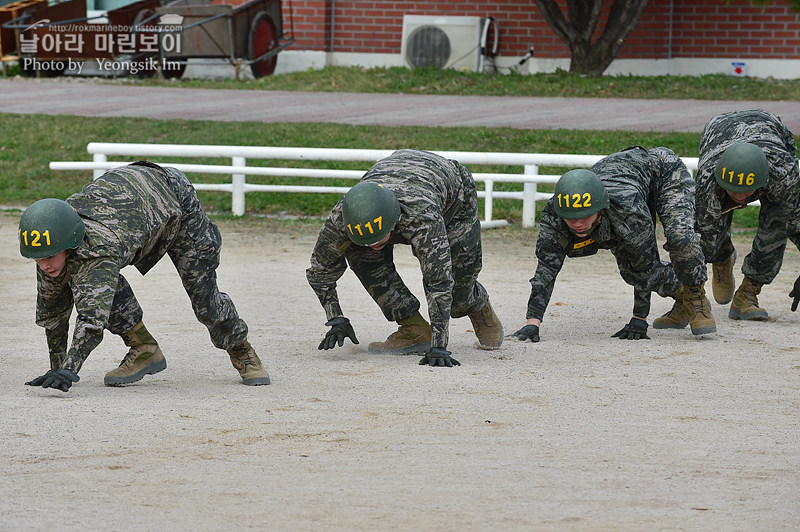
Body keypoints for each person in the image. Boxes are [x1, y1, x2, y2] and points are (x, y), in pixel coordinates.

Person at [19, 161, 269, 392]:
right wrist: (56, 366)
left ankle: (240, 349)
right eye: (37, 259)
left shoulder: (98, 250)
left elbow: (92, 321)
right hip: (135, 202)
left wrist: (68, 370)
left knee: (204, 298)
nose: (43, 265)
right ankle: (145, 349)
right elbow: (53, 314)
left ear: (68, 243)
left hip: (173, 197)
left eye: (49, 258)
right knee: (98, 286)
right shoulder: (52, 240)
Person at [306, 149, 503, 368]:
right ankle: (414, 328)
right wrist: (336, 317)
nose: (374, 245)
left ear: (396, 221)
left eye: (379, 238)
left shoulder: (421, 216)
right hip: (395, 177)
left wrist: (439, 346)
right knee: (361, 255)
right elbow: (319, 270)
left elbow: (438, 280)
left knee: (456, 293)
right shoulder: (343, 216)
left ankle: (477, 305)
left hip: (452, 197)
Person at [510, 146, 716, 343]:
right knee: (629, 273)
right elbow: (546, 268)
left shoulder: (628, 210)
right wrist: (532, 323)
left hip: (663, 173)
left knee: (679, 240)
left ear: (599, 209)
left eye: (584, 216)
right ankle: (682, 296)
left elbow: (644, 263)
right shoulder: (555, 214)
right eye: (571, 218)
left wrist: (639, 319)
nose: (578, 223)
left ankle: (695, 294)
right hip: (624, 183)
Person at [695, 109, 800, 320]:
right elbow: (701, 235)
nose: (740, 196)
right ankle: (723, 257)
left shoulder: (784, 175)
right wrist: (691, 293)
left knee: (778, 219)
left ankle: (747, 294)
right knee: (710, 227)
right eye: (733, 189)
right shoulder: (708, 178)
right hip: (718, 131)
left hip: (770, 130)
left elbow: (797, 221)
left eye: (746, 191)